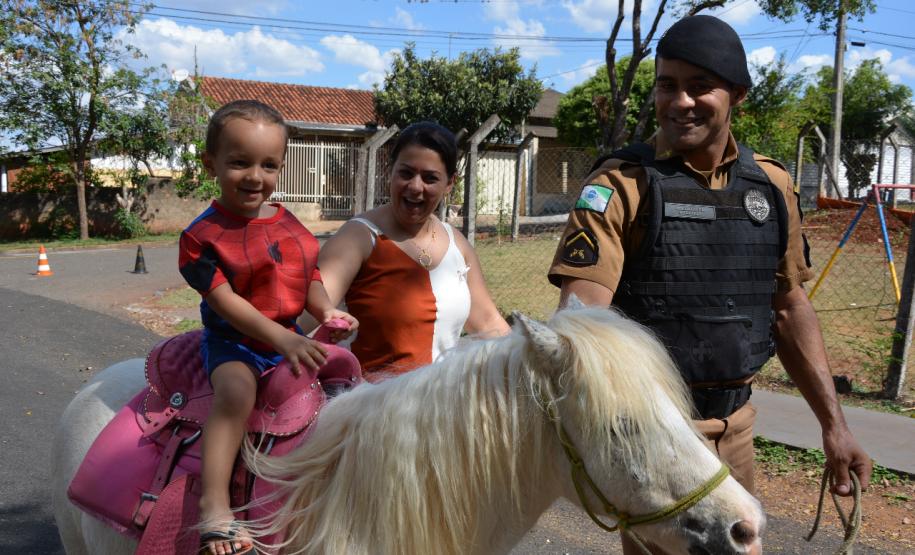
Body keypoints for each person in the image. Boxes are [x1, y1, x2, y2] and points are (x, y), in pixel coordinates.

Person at [547, 14, 872, 548]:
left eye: (701, 87)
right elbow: (584, 320)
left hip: (738, 430)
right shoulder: (621, 185)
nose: (681, 101)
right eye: (667, 85)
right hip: (659, 443)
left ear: (738, 95)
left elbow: (789, 308)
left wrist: (834, 426)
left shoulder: (770, 186)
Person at [178, 99, 357, 555]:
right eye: (239, 163)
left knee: (349, 385)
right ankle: (214, 504)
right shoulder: (202, 237)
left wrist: (327, 312)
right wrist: (283, 338)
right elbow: (225, 301)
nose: (255, 176)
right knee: (236, 394)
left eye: (268, 164)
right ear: (210, 163)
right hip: (235, 342)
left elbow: (307, 278)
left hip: (287, 340)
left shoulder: (287, 223)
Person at [317, 122, 510, 375]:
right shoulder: (359, 237)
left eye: (430, 178)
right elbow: (310, 312)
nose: (415, 187)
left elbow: (487, 322)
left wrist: (529, 359)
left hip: (441, 405)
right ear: (390, 170)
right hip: (372, 407)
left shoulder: (456, 243)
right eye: (406, 173)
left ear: (450, 183)